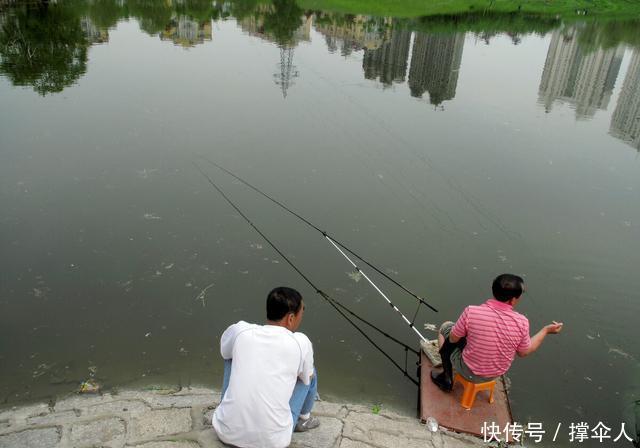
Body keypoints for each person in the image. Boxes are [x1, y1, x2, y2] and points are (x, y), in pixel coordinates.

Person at [212, 286, 320, 448]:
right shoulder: (300, 342)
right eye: (302, 311)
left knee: (231, 355)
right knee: (310, 374)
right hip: (273, 442)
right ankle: (303, 419)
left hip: (226, 432)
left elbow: (224, 352)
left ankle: (229, 411)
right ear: (290, 318)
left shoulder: (241, 330)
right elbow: (306, 378)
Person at [431, 273, 563, 391]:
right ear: (512, 300)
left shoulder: (472, 311)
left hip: (468, 371)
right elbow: (524, 352)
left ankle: (446, 376)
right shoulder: (522, 322)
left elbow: (453, 339)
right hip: (495, 374)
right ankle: (451, 371)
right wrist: (546, 330)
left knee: (446, 327)